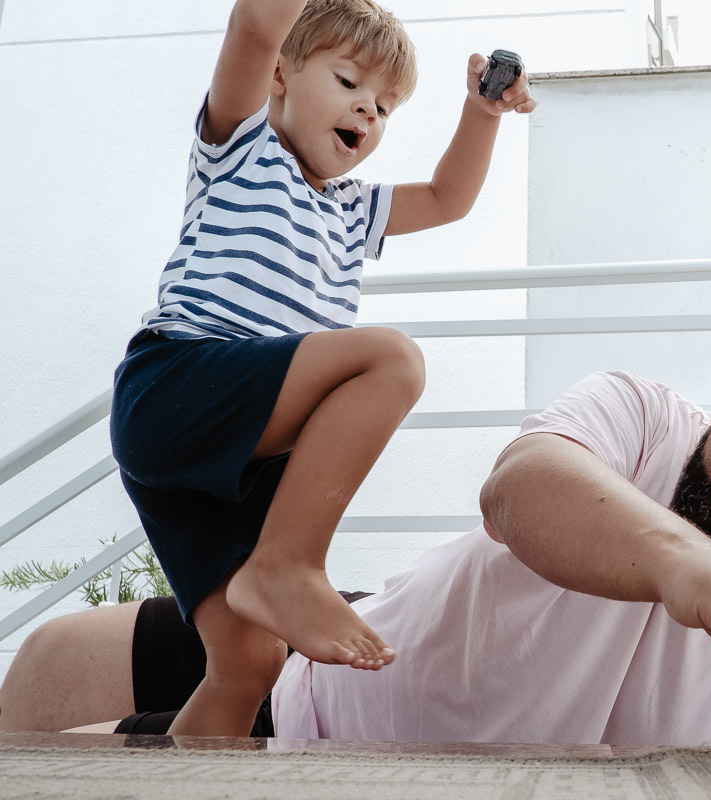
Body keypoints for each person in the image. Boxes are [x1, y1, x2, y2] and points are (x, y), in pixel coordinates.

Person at [0, 319, 711, 746]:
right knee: (46, 662)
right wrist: (699, 573)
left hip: (338, 744)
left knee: (75, 768)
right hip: (357, 641)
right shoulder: (646, 414)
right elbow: (520, 490)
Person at [106, 0, 536, 737]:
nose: (366, 111)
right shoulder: (240, 147)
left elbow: (447, 198)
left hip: (237, 459)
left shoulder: (350, 209)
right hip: (179, 388)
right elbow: (253, 25)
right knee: (390, 359)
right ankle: (290, 564)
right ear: (281, 75)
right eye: (347, 83)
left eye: (384, 106)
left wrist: (482, 114)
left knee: (248, 664)